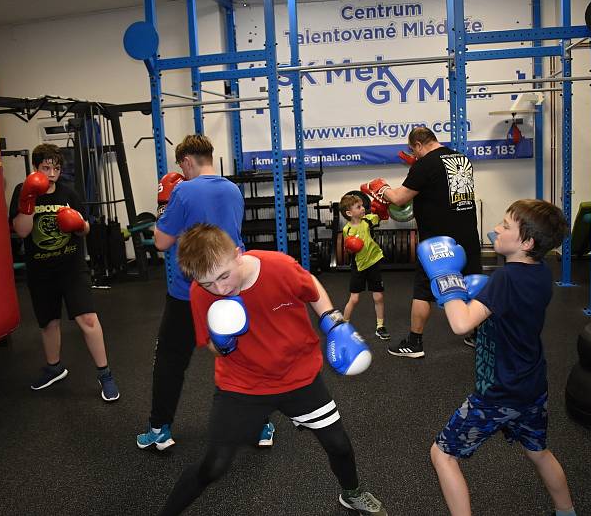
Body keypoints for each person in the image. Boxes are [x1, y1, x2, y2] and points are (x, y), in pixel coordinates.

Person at [156, 223, 385, 516]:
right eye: (208, 283)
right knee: (214, 466)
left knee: (339, 445)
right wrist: (222, 344)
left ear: (238, 254)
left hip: (298, 376)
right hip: (243, 385)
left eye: (224, 276)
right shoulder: (201, 295)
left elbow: (311, 286)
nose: (220, 289)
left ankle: (351, 493)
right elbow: (208, 345)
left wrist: (333, 321)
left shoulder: (278, 267)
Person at [420, 199, 575, 516]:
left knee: (442, 454)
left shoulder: (505, 280)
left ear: (527, 242)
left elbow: (461, 323)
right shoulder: (542, 274)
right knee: (538, 451)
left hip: (498, 392)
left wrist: (447, 278)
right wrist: (479, 293)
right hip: (532, 384)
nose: (496, 229)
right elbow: (508, 306)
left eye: (506, 226)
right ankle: (567, 511)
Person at [135, 134, 275, 451]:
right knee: (244, 354)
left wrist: (162, 205)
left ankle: (159, 429)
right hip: (230, 286)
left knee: (171, 360)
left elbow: (160, 242)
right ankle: (262, 424)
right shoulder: (232, 189)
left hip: (190, 291)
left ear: (186, 162)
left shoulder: (182, 189)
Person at [9, 143, 119, 401]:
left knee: (88, 320)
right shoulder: (21, 192)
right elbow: (22, 231)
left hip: (71, 267)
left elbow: (86, 230)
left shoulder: (69, 194)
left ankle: (105, 375)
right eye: (45, 168)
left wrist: (78, 223)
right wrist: (28, 200)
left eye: (55, 168)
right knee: (48, 323)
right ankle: (54, 367)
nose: (51, 173)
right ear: (35, 168)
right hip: (40, 269)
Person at [363, 126, 481, 358]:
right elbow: (442, 185)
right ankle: (478, 334)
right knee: (471, 283)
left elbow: (399, 198)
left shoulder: (425, 165)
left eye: (414, 150)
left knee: (423, 290)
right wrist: (416, 166)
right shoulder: (461, 159)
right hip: (467, 234)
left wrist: (380, 187)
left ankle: (414, 343)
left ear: (418, 144)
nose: (414, 155)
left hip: (438, 241)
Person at [339, 193, 389, 340]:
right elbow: (347, 249)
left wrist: (383, 207)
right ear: (349, 213)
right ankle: (344, 326)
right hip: (359, 265)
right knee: (354, 299)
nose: (363, 209)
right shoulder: (347, 230)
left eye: (362, 206)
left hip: (373, 261)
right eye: (358, 207)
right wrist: (351, 247)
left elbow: (381, 216)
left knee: (379, 296)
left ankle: (380, 326)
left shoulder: (368, 220)